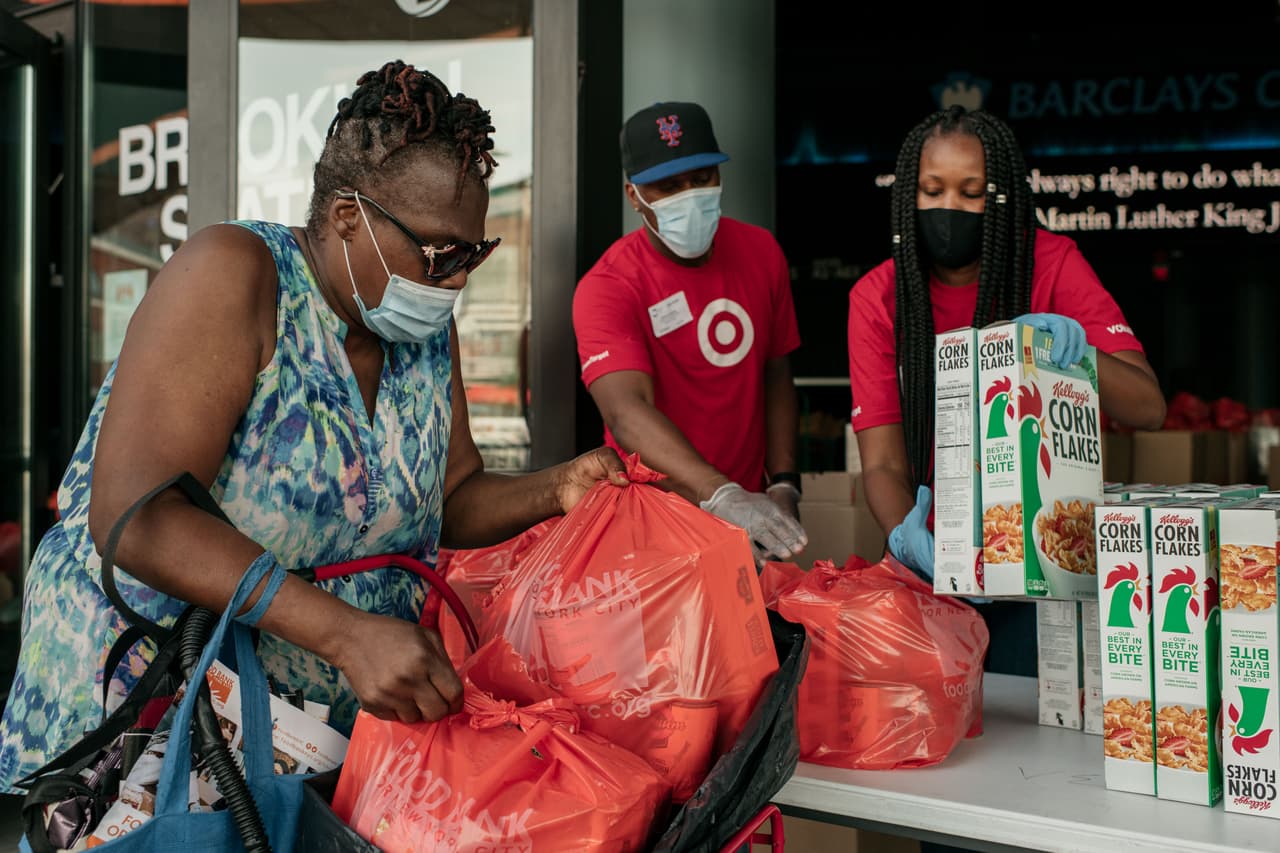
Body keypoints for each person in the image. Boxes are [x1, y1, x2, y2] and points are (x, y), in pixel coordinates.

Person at [0, 60, 626, 793]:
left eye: (472, 254)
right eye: (439, 251)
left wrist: (558, 488)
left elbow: (451, 496)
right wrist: (346, 633)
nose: (455, 278)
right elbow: (137, 518)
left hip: (286, 745)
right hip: (144, 732)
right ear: (345, 216)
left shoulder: (422, 329)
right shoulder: (234, 274)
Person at [847, 106, 1166, 672]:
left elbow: (1148, 406)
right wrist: (911, 540)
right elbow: (883, 464)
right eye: (932, 189)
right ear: (908, 197)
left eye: (971, 192)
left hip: (1048, 562)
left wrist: (1077, 356)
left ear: (1002, 197)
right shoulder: (878, 298)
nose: (950, 208)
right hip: (932, 567)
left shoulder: (1051, 264)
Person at [572, 101, 807, 565]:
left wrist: (782, 483)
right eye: (669, 186)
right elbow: (625, 411)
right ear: (633, 195)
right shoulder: (608, 286)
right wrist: (721, 495)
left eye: (702, 178)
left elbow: (777, 374)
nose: (691, 195)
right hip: (650, 525)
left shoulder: (761, 253)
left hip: (749, 522)